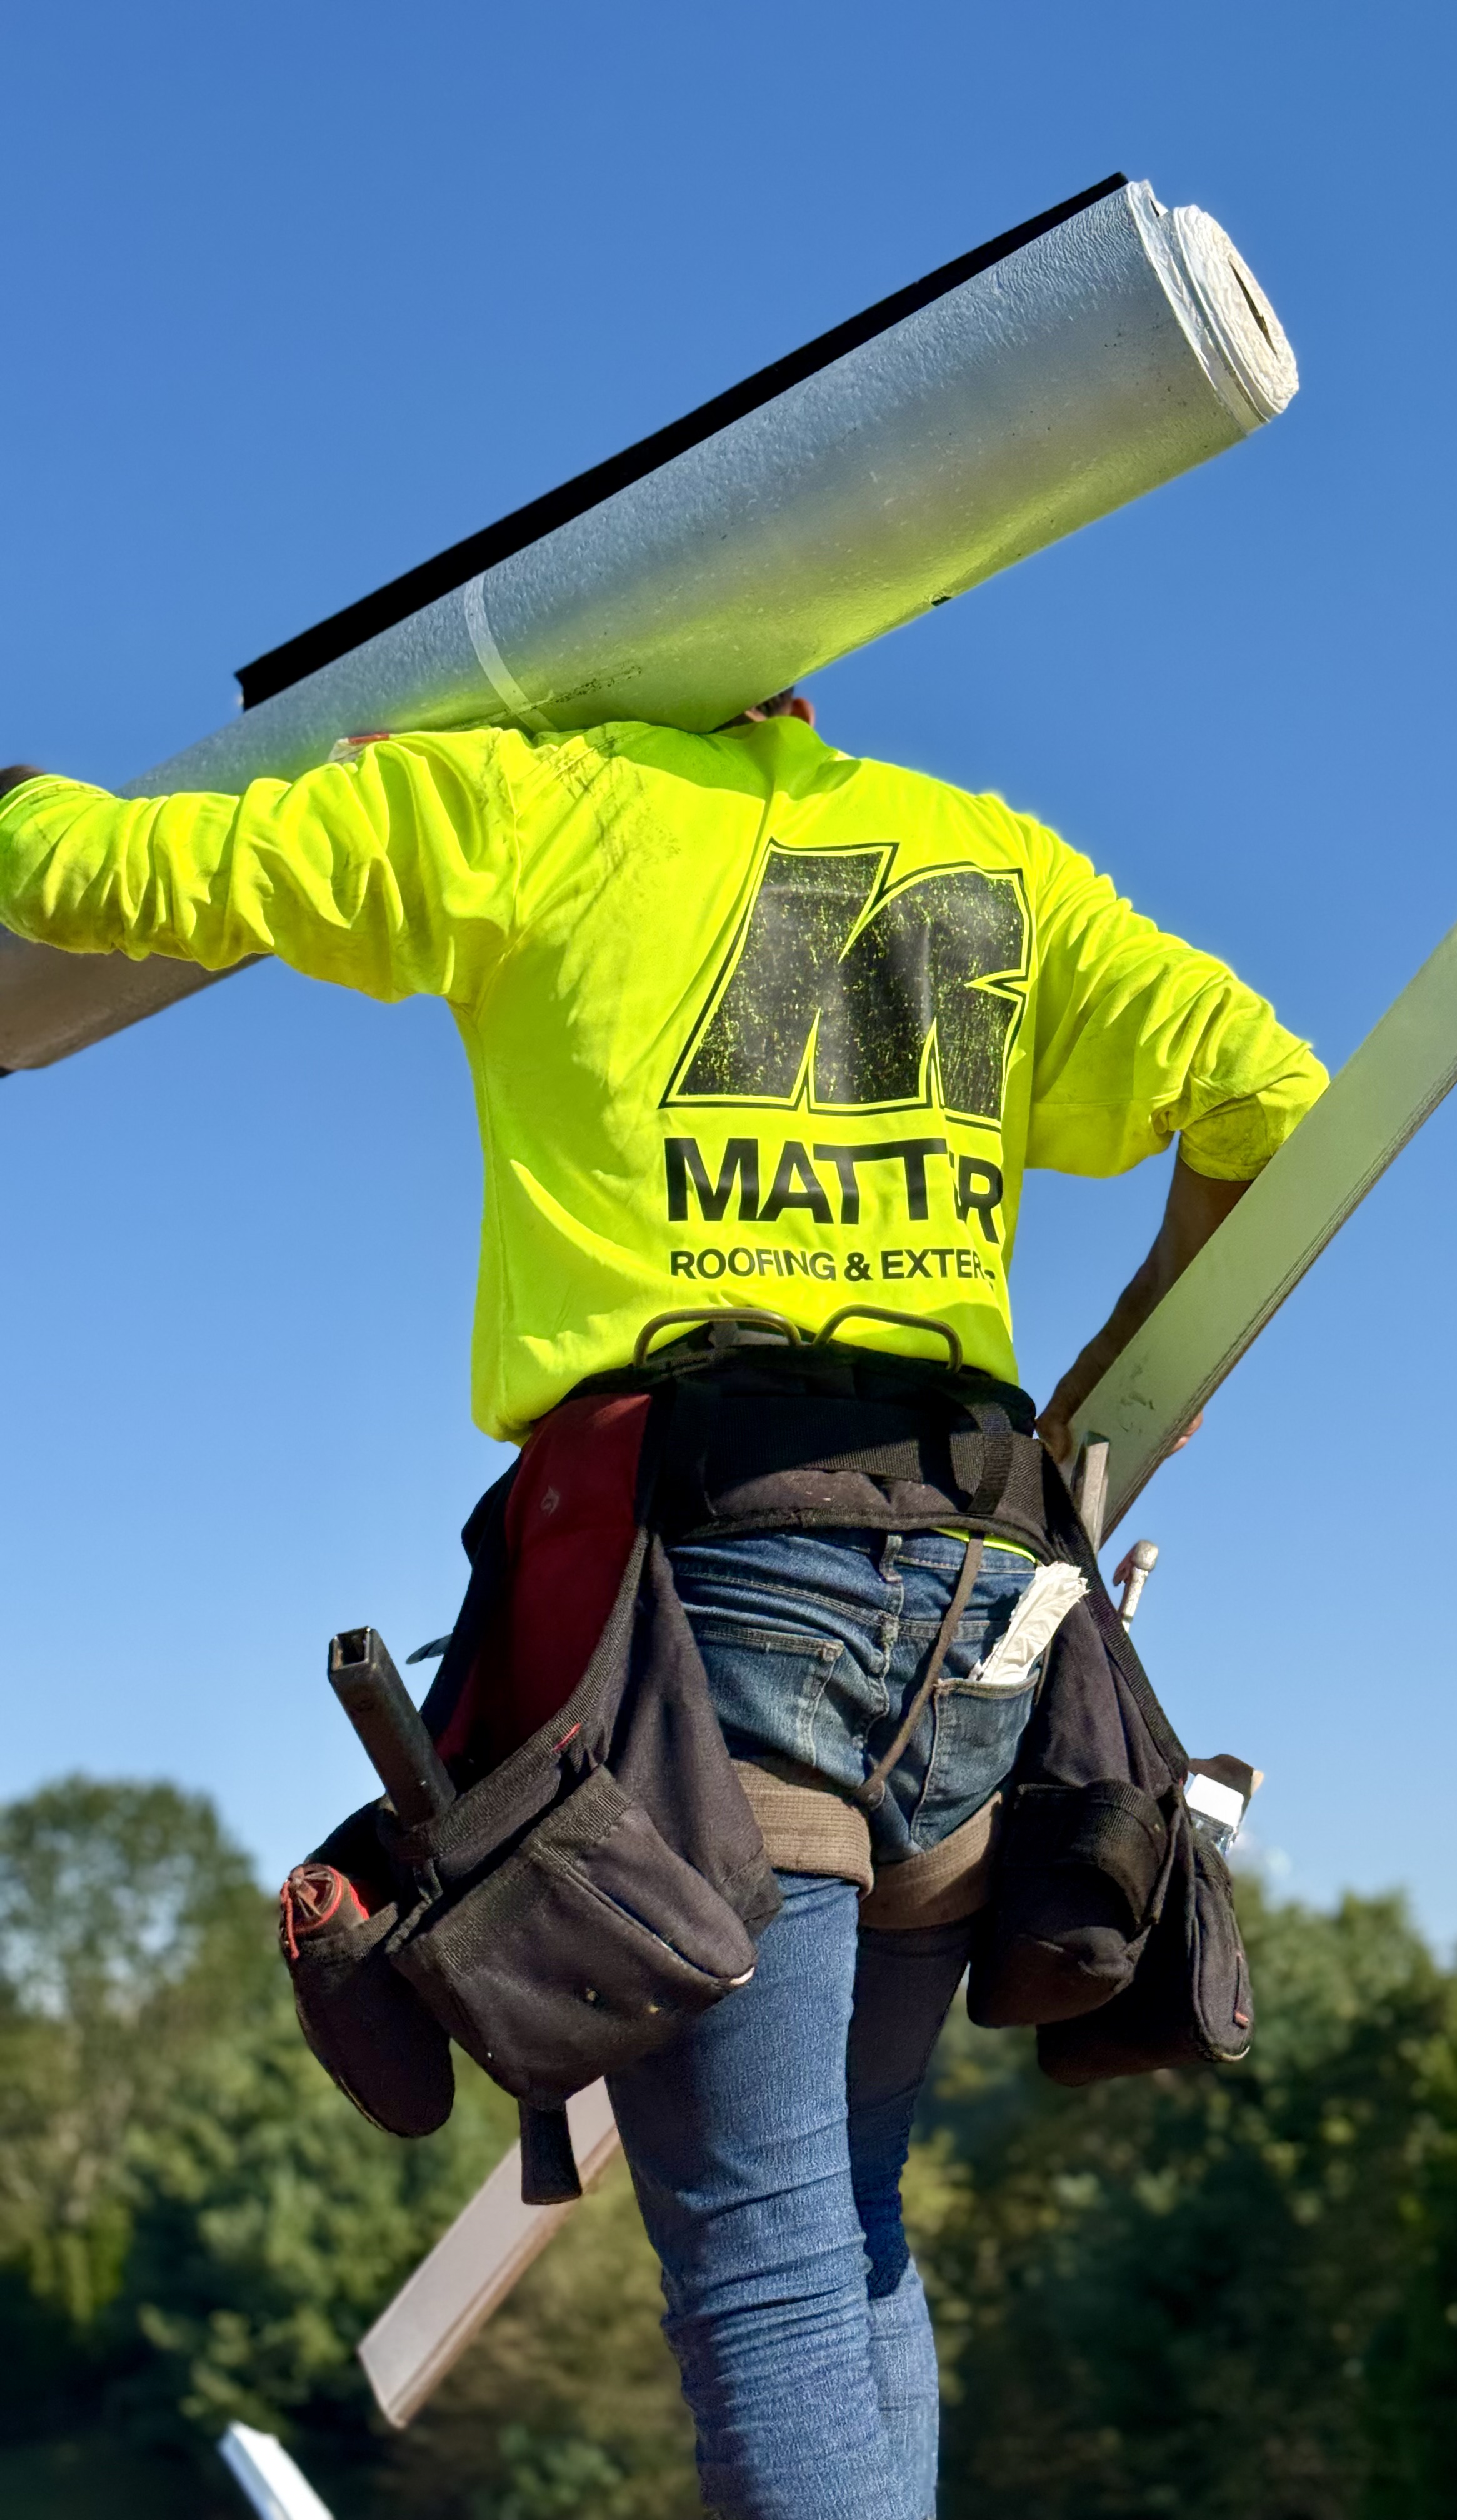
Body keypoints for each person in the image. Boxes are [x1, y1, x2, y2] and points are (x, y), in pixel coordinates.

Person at [0, 694, 1324, 2520]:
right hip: (979, 1605)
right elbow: (1271, 1093)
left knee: (769, 2260)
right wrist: (1094, 1411)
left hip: (727, 1595)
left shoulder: (531, 801)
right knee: (848, 2224)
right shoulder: (990, 856)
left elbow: (110, 873)